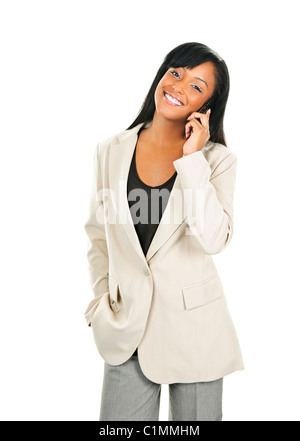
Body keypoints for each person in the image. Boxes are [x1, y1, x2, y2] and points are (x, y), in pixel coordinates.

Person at [84, 42, 244, 421]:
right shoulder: (111, 150)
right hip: (127, 330)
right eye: (176, 73)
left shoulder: (216, 161)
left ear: (206, 106)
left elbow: (213, 238)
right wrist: (101, 303)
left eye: (196, 86)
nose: (178, 86)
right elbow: (97, 235)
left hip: (196, 332)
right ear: (161, 75)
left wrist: (192, 160)